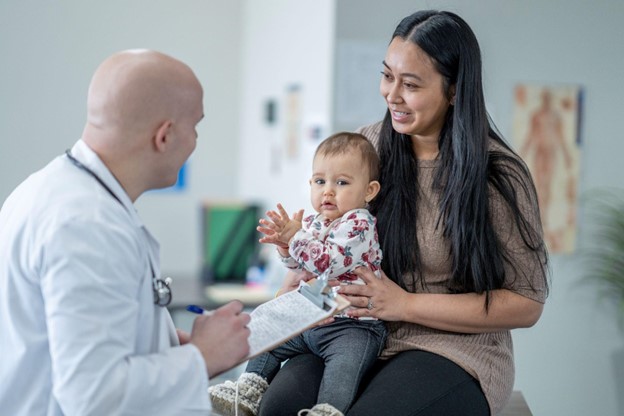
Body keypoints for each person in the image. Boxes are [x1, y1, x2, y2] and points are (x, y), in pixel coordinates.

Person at [257, 10, 549, 416]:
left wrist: (403, 305)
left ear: (453, 91)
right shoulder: (370, 144)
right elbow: (330, 230)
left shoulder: (497, 175)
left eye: (410, 84)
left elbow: (526, 303)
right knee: (278, 407)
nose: (391, 94)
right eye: (387, 76)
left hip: (454, 350)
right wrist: (288, 296)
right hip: (351, 331)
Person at [0, 49, 251, 415]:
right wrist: (202, 357)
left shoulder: (49, 189)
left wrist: (159, 342)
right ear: (164, 136)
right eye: (195, 126)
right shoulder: (87, 225)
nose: (195, 141)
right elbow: (93, 397)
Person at [208, 132, 387, 416]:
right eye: (320, 182)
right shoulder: (316, 222)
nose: (328, 191)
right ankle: (249, 389)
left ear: (369, 190)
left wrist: (296, 239)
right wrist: (285, 249)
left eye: (341, 182)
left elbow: (328, 263)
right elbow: (303, 270)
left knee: (344, 367)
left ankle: (328, 410)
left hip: (353, 327)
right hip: (313, 317)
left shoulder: (359, 224)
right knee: (271, 336)